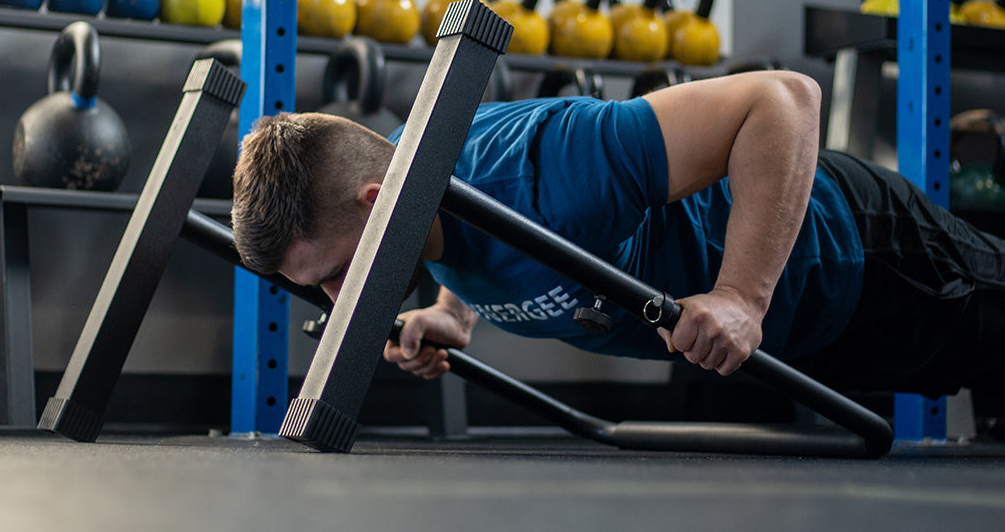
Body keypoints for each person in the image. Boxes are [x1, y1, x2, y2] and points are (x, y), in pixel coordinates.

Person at [231, 70, 1005, 405]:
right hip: (809, 336)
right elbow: (475, 238)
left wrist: (740, 294)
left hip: (867, 253)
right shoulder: (412, 188)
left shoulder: (552, 162)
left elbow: (784, 98)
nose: (338, 298)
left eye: (336, 271)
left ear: (376, 205)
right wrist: (453, 312)